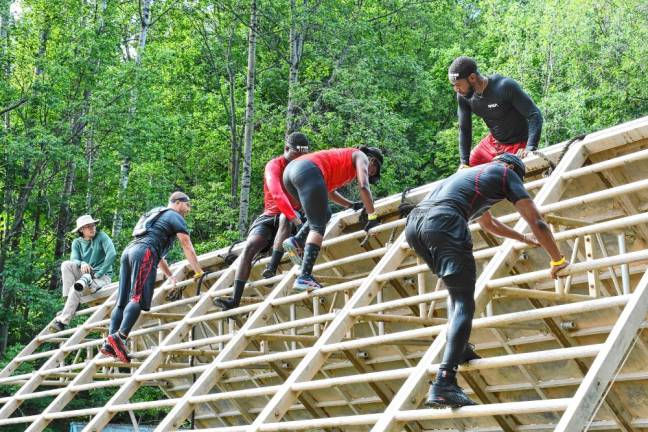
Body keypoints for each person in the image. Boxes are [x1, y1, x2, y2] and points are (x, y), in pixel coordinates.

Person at [405, 153, 568, 408]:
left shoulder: (470, 177)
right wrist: (557, 259)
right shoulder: (505, 173)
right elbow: (537, 221)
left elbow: (487, 222)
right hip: (444, 221)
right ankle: (444, 382)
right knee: (464, 302)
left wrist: (523, 239)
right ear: (512, 169)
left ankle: (459, 348)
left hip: (415, 226)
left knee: (456, 295)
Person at [101, 192, 204, 363]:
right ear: (178, 203)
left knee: (122, 301)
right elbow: (186, 244)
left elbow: (159, 256)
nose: (188, 210)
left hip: (129, 252)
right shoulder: (174, 216)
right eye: (188, 205)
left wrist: (170, 275)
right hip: (144, 252)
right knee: (137, 298)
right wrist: (198, 271)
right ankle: (120, 337)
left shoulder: (155, 214)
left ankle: (109, 343)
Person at [214, 132, 310, 311]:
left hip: (292, 219)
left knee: (285, 218)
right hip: (271, 215)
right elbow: (277, 194)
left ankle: (271, 267)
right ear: (286, 149)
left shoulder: (306, 166)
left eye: (302, 156)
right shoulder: (274, 166)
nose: (298, 160)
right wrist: (296, 220)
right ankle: (235, 299)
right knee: (251, 246)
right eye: (295, 155)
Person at [282, 146, 383, 292]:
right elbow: (364, 186)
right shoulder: (361, 156)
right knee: (317, 228)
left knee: (324, 214)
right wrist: (372, 216)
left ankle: (297, 240)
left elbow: (330, 192)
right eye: (373, 170)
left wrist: (350, 204)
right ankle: (304, 276)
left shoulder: (341, 161)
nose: (370, 173)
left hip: (291, 173)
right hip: (308, 170)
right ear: (372, 160)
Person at [448, 56, 543, 168]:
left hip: (518, 144)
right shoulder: (463, 97)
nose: (456, 89)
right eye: (454, 85)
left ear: (472, 77)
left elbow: (534, 115)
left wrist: (530, 148)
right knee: (470, 166)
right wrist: (464, 162)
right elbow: (464, 129)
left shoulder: (504, 87)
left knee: (504, 173)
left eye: (458, 85)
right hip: (494, 142)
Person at [52, 215, 116, 332]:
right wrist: (82, 263)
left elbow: (112, 254)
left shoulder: (101, 236)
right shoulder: (77, 242)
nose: (93, 228)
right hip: (85, 274)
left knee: (76, 289)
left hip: (101, 277)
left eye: (93, 225)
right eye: (88, 227)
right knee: (66, 264)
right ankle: (68, 304)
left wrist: (99, 273)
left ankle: (62, 322)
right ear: (81, 230)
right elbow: (74, 259)